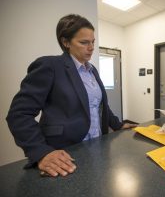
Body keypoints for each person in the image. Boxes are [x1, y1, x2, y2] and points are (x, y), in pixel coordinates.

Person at [6, 14, 137, 177]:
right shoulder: (50, 66)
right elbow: (19, 114)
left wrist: (117, 125)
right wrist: (41, 152)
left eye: (93, 42)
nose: (91, 47)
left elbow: (100, 105)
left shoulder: (92, 70)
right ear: (66, 42)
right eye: (84, 42)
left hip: (96, 146)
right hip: (65, 151)